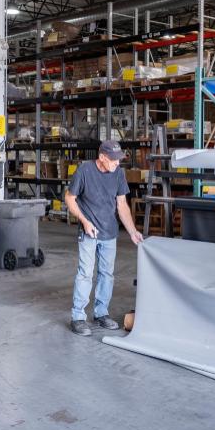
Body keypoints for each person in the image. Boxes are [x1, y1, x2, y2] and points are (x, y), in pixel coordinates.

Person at [64, 140, 144, 336]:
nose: (117, 163)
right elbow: (69, 198)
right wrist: (84, 221)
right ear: (102, 157)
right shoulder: (84, 171)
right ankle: (78, 317)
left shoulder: (118, 173)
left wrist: (133, 231)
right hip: (89, 232)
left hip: (110, 233)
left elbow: (122, 204)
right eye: (114, 160)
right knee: (85, 273)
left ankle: (101, 313)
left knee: (107, 274)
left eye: (119, 160)